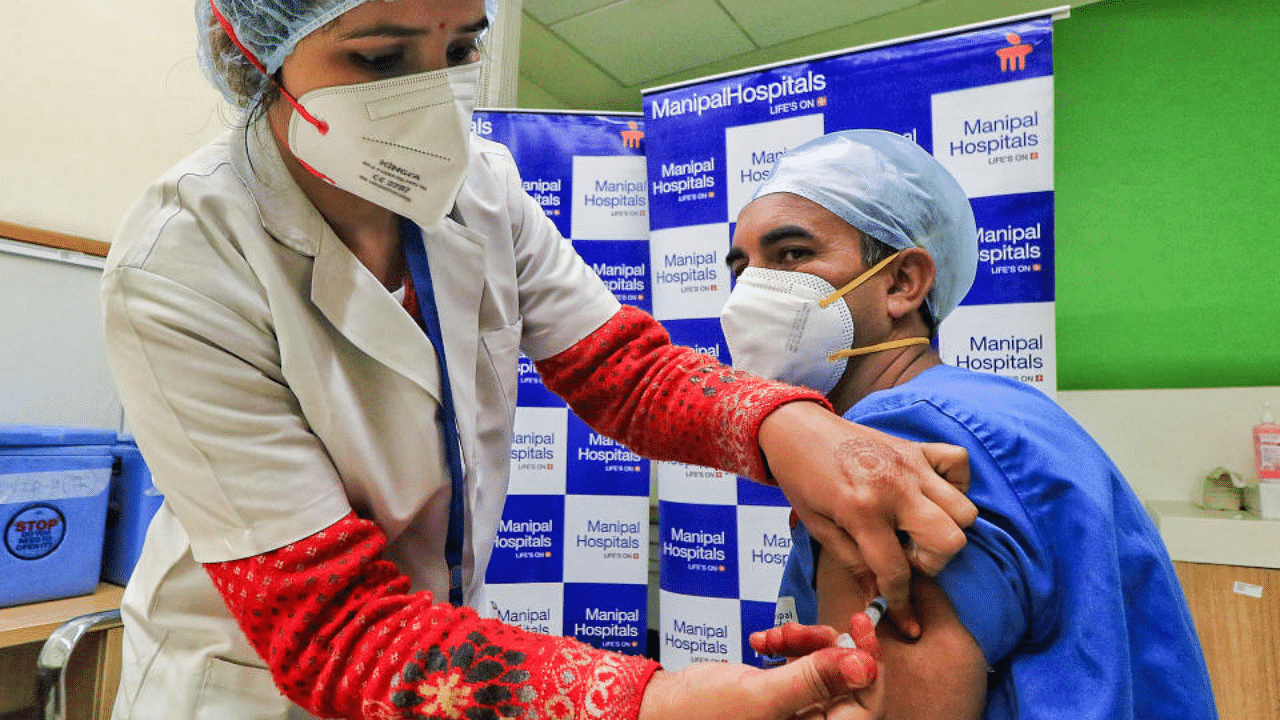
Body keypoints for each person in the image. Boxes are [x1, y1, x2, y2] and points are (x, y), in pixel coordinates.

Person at [99, 2, 977, 718]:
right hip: (250, 682)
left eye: (462, 46)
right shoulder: (181, 261)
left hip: (441, 640)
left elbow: (621, 370)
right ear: (255, 54)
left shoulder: (480, 190)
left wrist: (788, 428)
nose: (433, 99)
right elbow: (338, 628)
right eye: (379, 58)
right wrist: (656, 701)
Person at [730, 130, 1218, 719]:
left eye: (791, 255)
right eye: (742, 267)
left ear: (902, 283)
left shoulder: (889, 443)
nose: (750, 292)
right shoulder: (999, 410)